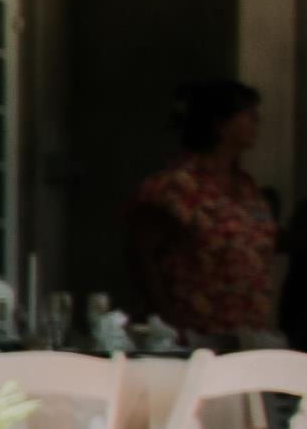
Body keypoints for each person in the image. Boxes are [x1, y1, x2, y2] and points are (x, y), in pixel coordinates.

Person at [118, 80, 278, 350]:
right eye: (248, 115)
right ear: (221, 124)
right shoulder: (174, 187)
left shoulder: (246, 187)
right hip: (196, 333)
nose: (257, 122)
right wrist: (168, 322)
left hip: (247, 333)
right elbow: (141, 257)